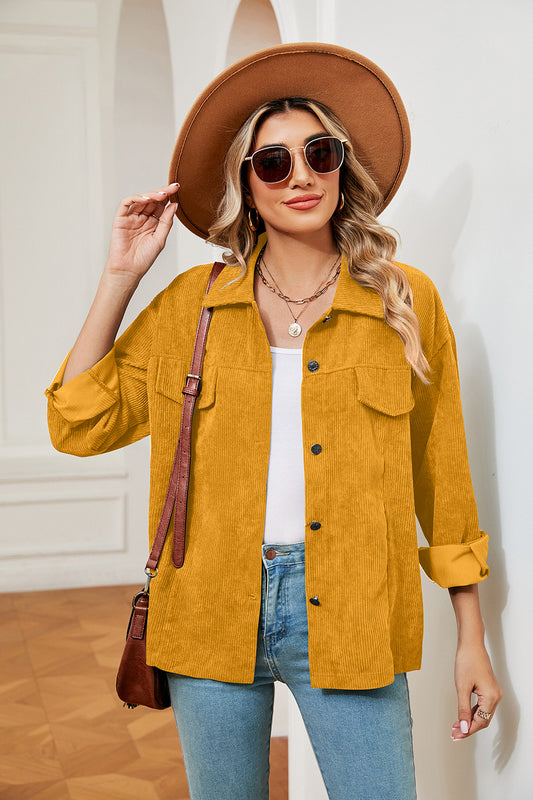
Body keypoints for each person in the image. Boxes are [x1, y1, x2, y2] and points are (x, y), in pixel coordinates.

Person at [45, 43, 502, 799]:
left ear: (342, 169)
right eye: (273, 163)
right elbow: (78, 422)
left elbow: (443, 479)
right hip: (208, 606)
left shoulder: (404, 303)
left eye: (319, 154)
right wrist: (121, 274)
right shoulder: (193, 306)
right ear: (246, 187)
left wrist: (472, 639)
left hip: (354, 608)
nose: (301, 177)